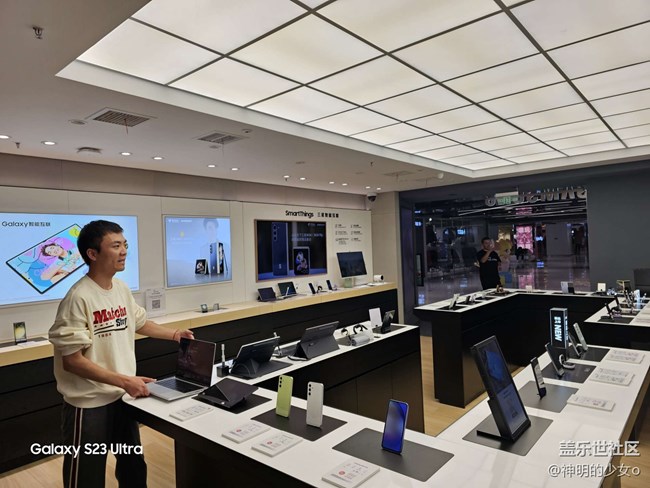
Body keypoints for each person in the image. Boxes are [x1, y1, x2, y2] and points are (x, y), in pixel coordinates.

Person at [48, 220, 194, 487]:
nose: (124, 251)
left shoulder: (121, 289)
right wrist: (125, 380)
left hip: (122, 397)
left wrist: (175, 334)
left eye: (125, 244)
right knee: (86, 476)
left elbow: (139, 322)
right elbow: (72, 361)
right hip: (89, 404)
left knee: (133, 468)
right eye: (115, 246)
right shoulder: (78, 297)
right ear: (92, 254)